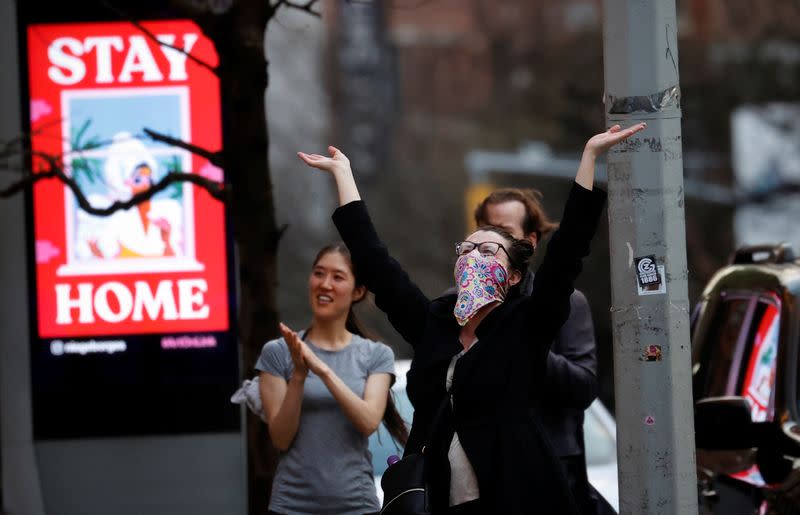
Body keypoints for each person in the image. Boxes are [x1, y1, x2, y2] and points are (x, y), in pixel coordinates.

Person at [297, 121, 645, 515]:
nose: (474, 258)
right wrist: (343, 175)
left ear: (513, 276)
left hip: (516, 494)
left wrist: (590, 158)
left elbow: (566, 256)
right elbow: (377, 264)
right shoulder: (434, 323)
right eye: (467, 249)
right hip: (438, 495)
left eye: (488, 252)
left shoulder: (525, 326)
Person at [256, 243, 408, 515]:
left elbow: (368, 422)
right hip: (290, 507)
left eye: (337, 277)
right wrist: (299, 377)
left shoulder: (376, 355)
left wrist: (323, 371)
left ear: (358, 291)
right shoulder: (278, 353)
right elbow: (280, 438)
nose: (325, 284)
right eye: (318, 273)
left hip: (357, 506)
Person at [473, 188, 600, 512]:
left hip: (551, 469)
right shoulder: (456, 307)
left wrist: (525, 343)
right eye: (487, 230)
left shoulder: (566, 303)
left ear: (529, 242)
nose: (493, 242)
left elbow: (583, 386)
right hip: (481, 472)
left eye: (505, 232)